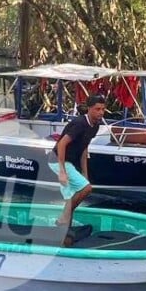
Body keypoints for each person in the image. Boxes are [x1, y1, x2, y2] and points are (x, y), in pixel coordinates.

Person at [49, 94, 108, 245]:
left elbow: (84, 149)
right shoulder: (80, 123)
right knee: (86, 189)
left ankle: (64, 233)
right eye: (97, 109)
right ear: (89, 109)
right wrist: (62, 171)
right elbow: (61, 144)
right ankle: (62, 219)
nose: (101, 112)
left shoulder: (95, 126)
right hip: (58, 161)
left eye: (103, 109)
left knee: (73, 197)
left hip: (71, 162)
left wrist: (85, 173)